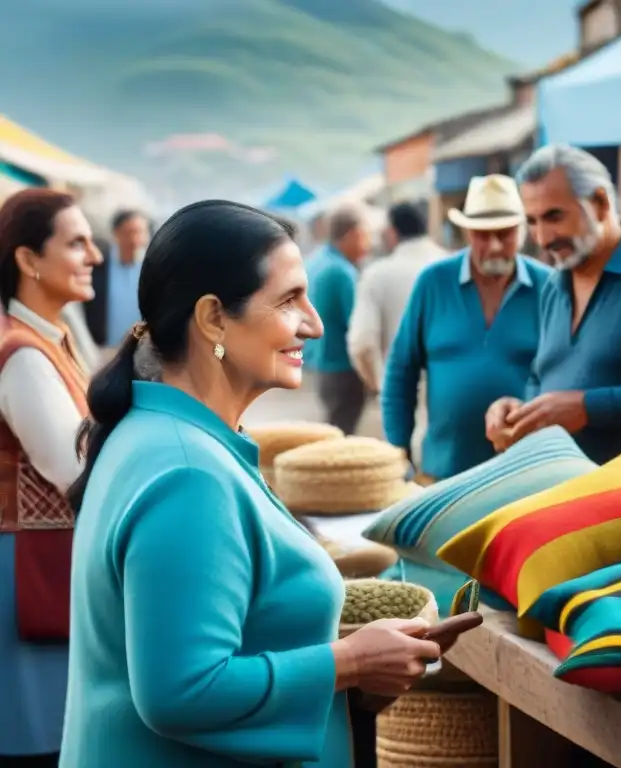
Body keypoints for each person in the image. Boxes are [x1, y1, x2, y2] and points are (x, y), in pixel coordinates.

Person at [60, 200, 447, 768]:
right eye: (290, 300)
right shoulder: (189, 472)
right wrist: (350, 662)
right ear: (214, 317)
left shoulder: (171, 437)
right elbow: (180, 692)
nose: (313, 323)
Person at [485, 145, 621, 465]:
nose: (543, 239)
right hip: (559, 488)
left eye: (554, 216)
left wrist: (587, 408)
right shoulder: (554, 284)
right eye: (531, 222)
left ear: (600, 203)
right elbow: (541, 374)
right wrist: (520, 410)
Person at [0, 189, 101, 767]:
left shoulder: (45, 340)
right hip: (30, 573)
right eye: (76, 243)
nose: (94, 255)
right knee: (40, 742)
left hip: (40, 567)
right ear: (27, 259)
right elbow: (75, 472)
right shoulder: (23, 354)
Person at [381, 175, 551, 482]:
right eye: (483, 235)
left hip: (527, 474)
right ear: (467, 233)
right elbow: (400, 374)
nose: (495, 246)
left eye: (505, 233)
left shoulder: (549, 287)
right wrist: (398, 453)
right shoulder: (433, 282)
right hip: (442, 473)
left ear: (523, 230)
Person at [347, 201, 447, 394]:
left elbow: (362, 343)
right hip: (453, 393)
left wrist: (380, 383)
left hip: (402, 393)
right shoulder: (454, 266)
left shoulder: (377, 275)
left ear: (392, 232)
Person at [304, 204, 370, 433]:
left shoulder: (315, 261)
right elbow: (358, 326)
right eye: (365, 235)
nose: (367, 243)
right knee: (342, 436)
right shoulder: (342, 271)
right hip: (342, 368)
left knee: (333, 429)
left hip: (320, 364)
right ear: (353, 234)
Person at [83, 209, 151, 347]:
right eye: (129, 233)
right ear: (116, 233)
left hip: (141, 353)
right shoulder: (97, 264)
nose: (134, 240)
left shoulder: (154, 267)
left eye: (140, 233)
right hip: (102, 352)